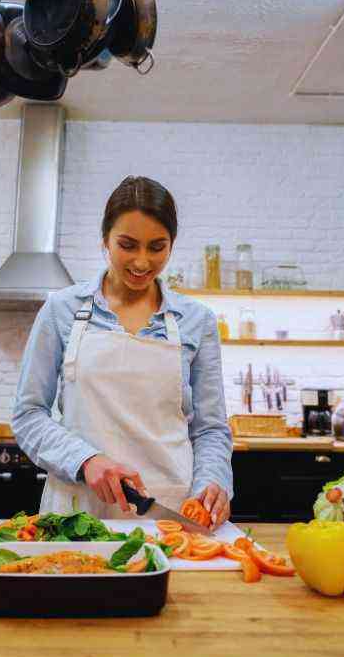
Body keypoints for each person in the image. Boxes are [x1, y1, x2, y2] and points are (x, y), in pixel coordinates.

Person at [13, 176, 233, 528]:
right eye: (128, 245)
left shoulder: (197, 321)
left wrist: (213, 482)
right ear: (105, 240)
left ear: (172, 245)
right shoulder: (61, 310)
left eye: (157, 247)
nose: (142, 262)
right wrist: (86, 461)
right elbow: (28, 415)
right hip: (78, 510)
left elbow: (210, 429)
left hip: (170, 511)